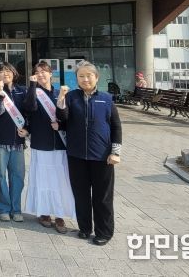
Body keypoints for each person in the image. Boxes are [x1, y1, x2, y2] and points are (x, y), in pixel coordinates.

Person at [57, 61, 122, 246]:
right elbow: (62, 119)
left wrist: (115, 152)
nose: (85, 79)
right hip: (76, 155)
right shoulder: (71, 97)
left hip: (102, 157)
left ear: (96, 77)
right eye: (81, 76)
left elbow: (116, 126)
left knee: (102, 197)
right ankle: (85, 228)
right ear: (76, 79)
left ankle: (104, 232)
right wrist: (61, 100)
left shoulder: (106, 99)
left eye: (89, 76)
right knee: (81, 195)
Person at [22, 61, 76, 233]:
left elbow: (67, 117)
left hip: (59, 144)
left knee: (60, 181)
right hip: (41, 143)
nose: (41, 74)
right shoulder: (33, 92)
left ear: (51, 73)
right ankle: (44, 212)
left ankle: (59, 215)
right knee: (42, 180)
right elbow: (29, 108)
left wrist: (61, 126)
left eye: (43, 71)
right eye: (37, 72)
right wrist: (32, 85)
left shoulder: (61, 93)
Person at [0, 62, 28, 223]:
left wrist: (27, 129)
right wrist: (0, 92)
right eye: (1, 71)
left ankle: (16, 209)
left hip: (18, 142)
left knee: (17, 177)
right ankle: (3, 208)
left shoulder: (22, 91)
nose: (5, 74)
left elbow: (29, 112)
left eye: (8, 71)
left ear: (14, 73)